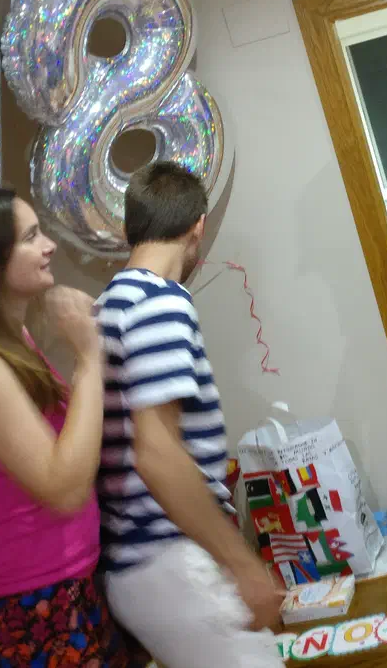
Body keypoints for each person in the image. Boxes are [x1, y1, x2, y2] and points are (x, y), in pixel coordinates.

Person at [0, 187, 147, 667]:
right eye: (31, 237)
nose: (50, 246)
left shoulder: (11, 339)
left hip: (66, 589)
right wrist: (88, 360)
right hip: (20, 609)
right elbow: (64, 487)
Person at [95, 161, 284, 668]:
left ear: (130, 227)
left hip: (135, 564)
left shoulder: (106, 305)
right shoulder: (159, 304)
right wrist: (241, 562)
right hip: (170, 555)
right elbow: (157, 455)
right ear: (198, 226)